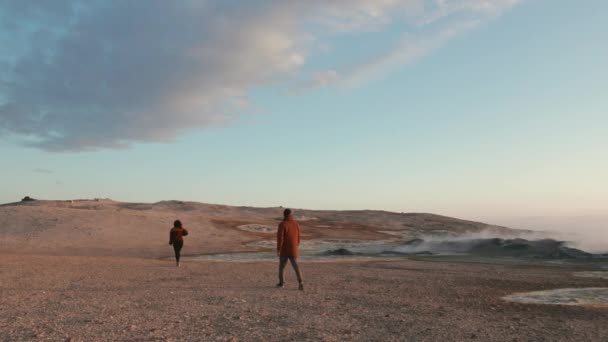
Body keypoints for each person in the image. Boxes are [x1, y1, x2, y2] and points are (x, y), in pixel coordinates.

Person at [276, 208, 304, 290]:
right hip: (293, 249)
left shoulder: (282, 224)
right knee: (296, 266)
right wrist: (296, 246)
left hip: (284, 250)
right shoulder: (296, 224)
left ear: (284, 214)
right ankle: (300, 282)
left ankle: (281, 283)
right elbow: (299, 237)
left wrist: (278, 249)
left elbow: (280, 238)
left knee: (282, 267)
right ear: (291, 215)